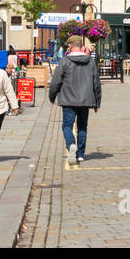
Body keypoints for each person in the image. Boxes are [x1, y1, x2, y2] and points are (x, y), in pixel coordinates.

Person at [48, 35, 102, 165]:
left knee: (67, 125)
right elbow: (97, 83)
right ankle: (81, 154)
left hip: (68, 100)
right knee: (82, 126)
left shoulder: (64, 61)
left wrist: (52, 96)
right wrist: (97, 102)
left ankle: (71, 144)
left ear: (70, 46)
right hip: (86, 100)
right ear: (82, 46)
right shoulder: (90, 62)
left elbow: (56, 82)